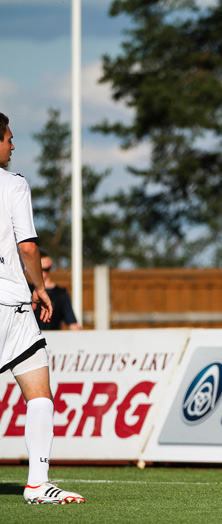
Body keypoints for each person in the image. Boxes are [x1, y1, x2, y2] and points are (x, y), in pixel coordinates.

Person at [0, 112, 85, 504]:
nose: (13, 146)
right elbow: (29, 246)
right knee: (39, 395)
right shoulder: (13, 185)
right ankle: (36, 484)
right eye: (8, 139)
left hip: (14, 311)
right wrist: (40, 287)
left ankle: (38, 482)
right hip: (10, 304)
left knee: (39, 386)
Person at [31, 251, 81, 330]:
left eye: (46, 269)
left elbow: (72, 323)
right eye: (39, 268)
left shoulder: (60, 294)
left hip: (53, 338)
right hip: (30, 339)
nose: (42, 272)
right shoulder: (27, 289)